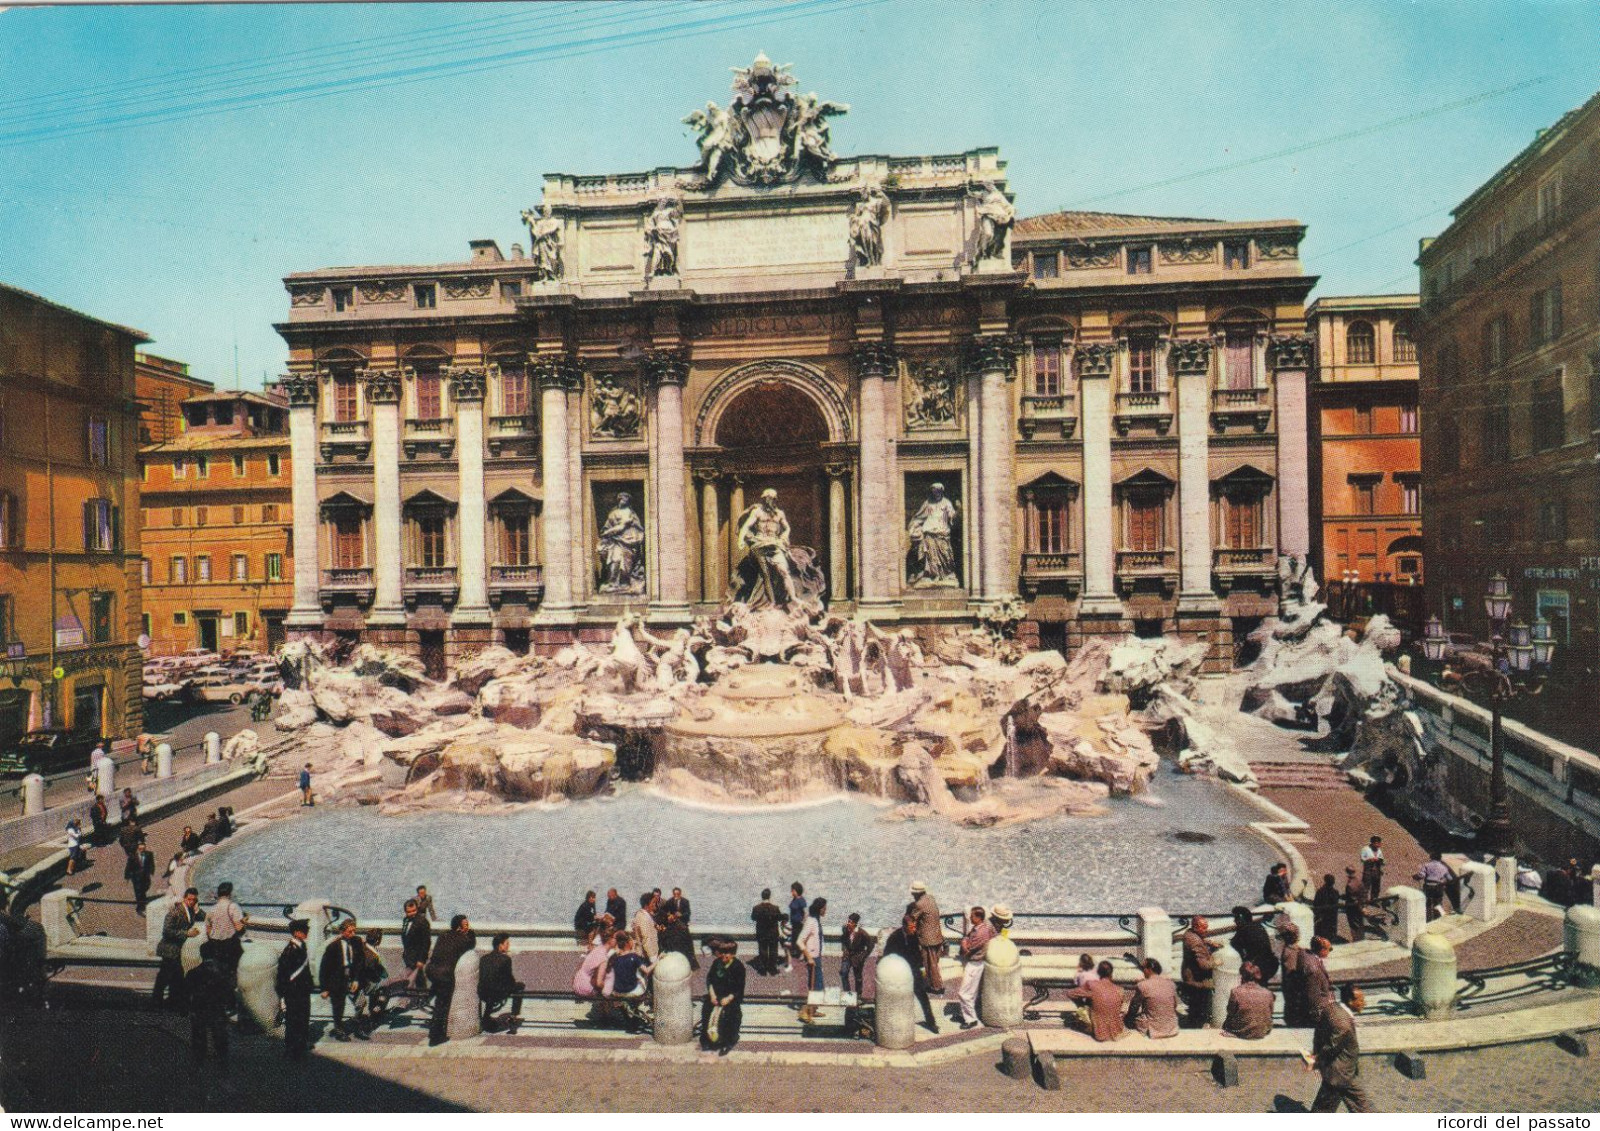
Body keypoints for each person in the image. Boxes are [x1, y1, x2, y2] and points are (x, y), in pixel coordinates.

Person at [1306, 983, 1372, 1112]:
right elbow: (1331, 1047)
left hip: (1342, 1071)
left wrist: (1316, 1052)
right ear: (1350, 1001)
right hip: (1339, 1075)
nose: (1364, 1003)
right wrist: (1316, 1059)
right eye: (1361, 1000)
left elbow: (1319, 1032)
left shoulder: (1331, 1008)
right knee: (1323, 1110)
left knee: (1361, 1104)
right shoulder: (1344, 1025)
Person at [425, 914, 476, 1046]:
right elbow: (471, 944)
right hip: (444, 975)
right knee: (442, 1004)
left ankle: (429, 996)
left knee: (438, 998)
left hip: (431, 970)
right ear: (459, 928)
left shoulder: (443, 935)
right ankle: (436, 1037)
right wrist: (471, 933)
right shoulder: (463, 940)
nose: (468, 927)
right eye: (466, 925)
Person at [883, 911, 939, 1032]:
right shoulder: (894, 937)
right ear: (904, 926)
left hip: (913, 970)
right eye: (911, 927)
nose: (914, 929)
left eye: (915, 926)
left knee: (923, 997)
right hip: (899, 972)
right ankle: (894, 1025)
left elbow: (917, 953)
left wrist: (921, 969)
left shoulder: (914, 935)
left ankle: (931, 1022)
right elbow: (887, 956)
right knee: (898, 998)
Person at [154, 887, 203, 1010]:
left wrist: (197, 909)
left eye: (194, 900)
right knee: (166, 977)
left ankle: (167, 1002)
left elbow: (202, 916)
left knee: (172, 977)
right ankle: (159, 1002)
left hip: (177, 950)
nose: (191, 902)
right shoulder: (175, 912)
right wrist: (187, 933)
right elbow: (167, 931)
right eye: (189, 899)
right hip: (169, 949)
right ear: (184, 898)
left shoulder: (191, 910)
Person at [184, 945, 233, 1067]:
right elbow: (229, 990)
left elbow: (185, 993)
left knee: (199, 1037)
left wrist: (186, 1008)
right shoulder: (224, 972)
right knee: (220, 1036)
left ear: (201, 955)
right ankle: (223, 1063)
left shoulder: (193, 973)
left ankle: (198, 1062)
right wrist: (231, 1005)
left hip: (199, 1009)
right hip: (217, 1009)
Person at [276, 919, 315, 1060]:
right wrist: (283, 996)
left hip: (302, 991)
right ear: (296, 933)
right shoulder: (290, 951)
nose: (307, 932)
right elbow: (283, 974)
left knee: (303, 1019)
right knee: (293, 1020)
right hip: (293, 993)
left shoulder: (301, 946)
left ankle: (300, 1046)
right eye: (304, 930)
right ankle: (291, 1048)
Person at [320, 918, 363, 1041]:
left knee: (361, 1002)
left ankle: (357, 1027)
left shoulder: (357, 941)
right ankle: (339, 1029)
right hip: (337, 979)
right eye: (350, 931)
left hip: (351, 977)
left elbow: (360, 961)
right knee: (338, 1006)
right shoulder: (333, 947)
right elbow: (324, 968)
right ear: (342, 931)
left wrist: (356, 979)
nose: (353, 934)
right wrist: (324, 988)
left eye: (354, 931)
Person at [700, 939, 746, 1055]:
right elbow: (709, 979)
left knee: (729, 1015)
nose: (724, 955)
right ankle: (708, 1040)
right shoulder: (717, 963)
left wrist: (728, 998)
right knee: (706, 1010)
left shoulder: (738, 967)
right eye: (722, 952)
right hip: (716, 995)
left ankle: (728, 1042)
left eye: (727, 953)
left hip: (730, 997)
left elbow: (738, 988)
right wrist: (712, 995)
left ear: (733, 954)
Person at [956, 905, 996, 1031]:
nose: (969, 918)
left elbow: (967, 949)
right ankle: (969, 1015)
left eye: (972, 916)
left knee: (964, 993)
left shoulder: (980, 932)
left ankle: (971, 1019)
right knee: (972, 993)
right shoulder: (985, 927)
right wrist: (966, 940)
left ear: (978, 917)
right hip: (978, 963)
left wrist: (964, 942)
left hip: (974, 964)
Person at [1066, 960, 1127, 1042]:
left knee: (1080, 1014)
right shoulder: (1120, 990)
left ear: (1098, 973)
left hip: (1099, 1033)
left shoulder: (1091, 985)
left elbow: (1070, 993)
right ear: (1111, 973)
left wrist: (1081, 1005)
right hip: (1117, 1031)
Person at [604, 932, 653, 1030]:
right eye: (632, 940)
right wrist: (657, 961)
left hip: (617, 991)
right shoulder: (634, 957)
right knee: (642, 978)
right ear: (628, 943)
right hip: (631, 991)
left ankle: (629, 1010)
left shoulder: (615, 957)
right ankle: (637, 1008)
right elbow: (647, 971)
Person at [479, 933, 525, 1032]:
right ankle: (513, 1016)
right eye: (506, 943)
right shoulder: (505, 959)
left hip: (483, 993)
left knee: (491, 985)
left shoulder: (484, 958)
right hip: (497, 994)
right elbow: (510, 980)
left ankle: (486, 1015)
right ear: (500, 945)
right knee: (520, 986)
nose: (508, 946)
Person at [1126, 957, 1180, 1039]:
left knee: (1128, 1018)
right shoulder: (1171, 984)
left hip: (1154, 1030)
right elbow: (1175, 1005)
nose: (1143, 971)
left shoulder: (1143, 985)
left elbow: (1134, 1007)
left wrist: (1127, 1020)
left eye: (1143, 968)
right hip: (1172, 1028)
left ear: (1149, 969)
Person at [1178, 915, 1217, 1028]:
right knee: (1199, 1002)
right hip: (1195, 978)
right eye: (1203, 928)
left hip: (1188, 972)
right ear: (1195, 927)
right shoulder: (1196, 942)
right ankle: (1197, 1025)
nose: (1206, 930)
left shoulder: (1188, 933)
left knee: (1195, 1003)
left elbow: (1197, 941)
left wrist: (1207, 942)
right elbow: (1204, 965)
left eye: (1206, 927)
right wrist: (1217, 963)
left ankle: (1194, 1020)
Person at [907, 881, 945, 995]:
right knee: (934, 963)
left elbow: (912, 917)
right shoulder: (930, 898)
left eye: (913, 893)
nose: (912, 895)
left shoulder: (919, 904)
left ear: (916, 893)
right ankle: (934, 984)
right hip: (937, 936)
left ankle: (937, 987)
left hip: (928, 939)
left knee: (930, 964)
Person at [1222, 962, 1276, 1040]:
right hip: (1262, 1032)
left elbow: (1230, 1012)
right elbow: (1270, 1014)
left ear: (1242, 976)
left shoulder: (1235, 992)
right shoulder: (1268, 993)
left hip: (1242, 1032)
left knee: (1227, 1023)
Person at [206, 881, 247, 981]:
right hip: (230, 947)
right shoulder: (233, 907)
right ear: (229, 893)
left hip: (215, 947)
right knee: (231, 976)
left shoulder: (211, 909)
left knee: (218, 976)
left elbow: (208, 930)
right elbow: (239, 928)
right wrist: (244, 921)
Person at [797, 897, 827, 1025]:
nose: (826, 910)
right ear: (820, 909)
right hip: (812, 959)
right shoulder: (811, 921)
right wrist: (809, 957)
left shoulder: (815, 920)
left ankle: (813, 1010)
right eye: (824, 908)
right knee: (816, 986)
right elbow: (799, 941)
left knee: (817, 985)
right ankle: (805, 1013)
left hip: (816, 957)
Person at [1228, 906, 1278, 984]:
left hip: (1258, 967)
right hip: (1271, 964)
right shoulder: (1258, 926)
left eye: (1236, 918)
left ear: (1241, 919)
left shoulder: (1244, 929)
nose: (1234, 921)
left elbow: (1233, 945)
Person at [659, 887, 697, 970]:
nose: (676, 895)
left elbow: (688, 913)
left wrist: (681, 915)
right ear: (673, 894)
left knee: (686, 943)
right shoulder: (669, 901)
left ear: (680, 894)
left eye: (678, 894)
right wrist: (669, 916)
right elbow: (663, 911)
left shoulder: (685, 901)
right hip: (673, 926)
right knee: (674, 943)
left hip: (682, 925)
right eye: (675, 894)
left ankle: (690, 963)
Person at [751, 888, 785, 976]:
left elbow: (753, 918)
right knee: (773, 951)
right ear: (769, 896)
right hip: (773, 933)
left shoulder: (756, 908)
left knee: (762, 950)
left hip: (761, 932)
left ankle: (763, 970)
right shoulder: (775, 908)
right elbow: (780, 918)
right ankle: (772, 969)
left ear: (762, 897)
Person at [400, 898, 431, 992]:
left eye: (414, 911)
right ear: (405, 912)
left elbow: (426, 942)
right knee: (411, 980)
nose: (412, 913)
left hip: (417, 958)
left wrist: (421, 960)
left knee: (419, 980)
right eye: (409, 912)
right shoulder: (405, 920)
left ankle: (422, 999)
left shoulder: (422, 921)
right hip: (408, 957)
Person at [840, 912, 873, 997]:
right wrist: (844, 949)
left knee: (858, 977)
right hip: (847, 956)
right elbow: (843, 940)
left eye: (850, 922)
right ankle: (847, 994)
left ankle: (858, 996)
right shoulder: (845, 929)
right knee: (843, 973)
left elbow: (870, 945)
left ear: (855, 923)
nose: (848, 923)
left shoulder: (862, 933)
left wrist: (863, 956)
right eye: (848, 921)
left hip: (857, 958)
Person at [1416, 851, 1456, 921]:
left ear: (1431, 857)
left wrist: (1416, 877)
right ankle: (1438, 919)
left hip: (1428, 888)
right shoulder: (1443, 867)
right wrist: (1443, 880)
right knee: (1438, 904)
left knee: (1427, 904)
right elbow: (1450, 879)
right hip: (1438, 888)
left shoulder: (1426, 865)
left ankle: (1427, 920)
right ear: (1440, 858)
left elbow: (1421, 875)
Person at [125, 838, 156, 915]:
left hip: (145, 876)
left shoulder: (149, 854)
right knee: (139, 892)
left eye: (143, 849)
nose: (142, 850)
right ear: (138, 849)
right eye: (140, 849)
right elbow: (128, 867)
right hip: (136, 878)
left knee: (146, 887)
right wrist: (127, 876)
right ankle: (140, 908)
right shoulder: (132, 857)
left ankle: (143, 898)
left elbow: (151, 863)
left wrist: (151, 871)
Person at [631, 892, 660, 962]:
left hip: (644, 954)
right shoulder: (644, 918)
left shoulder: (641, 914)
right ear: (646, 905)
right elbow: (646, 938)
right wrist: (653, 958)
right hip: (646, 957)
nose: (655, 905)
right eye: (653, 903)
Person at [1313, 873, 1342, 943]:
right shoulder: (1335, 893)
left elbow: (1315, 904)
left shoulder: (1320, 892)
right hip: (1332, 919)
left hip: (1322, 919)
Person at [786, 882, 807, 969]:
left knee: (800, 939)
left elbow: (805, 912)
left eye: (793, 890)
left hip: (799, 924)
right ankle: (798, 953)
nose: (791, 892)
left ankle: (803, 954)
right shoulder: (794, 899)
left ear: (796, 890)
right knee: (795, 938)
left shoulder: (801, 900)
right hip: (794, 923)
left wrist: (803, 921)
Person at [1360, 836, 1386, 903]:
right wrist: (1370, 859)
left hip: (1377, 871)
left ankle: (1374, 900)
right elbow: (1362, 859)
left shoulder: (1379, 850)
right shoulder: (1365, 849)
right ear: (1372, 843)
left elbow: (1382, 859)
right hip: (1368, 870)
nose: (1378, 845)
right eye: (1376, 843)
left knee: (1376, 886)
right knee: (1366, 886)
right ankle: (1363, 900)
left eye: (1379, 843)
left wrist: (1381, 861)